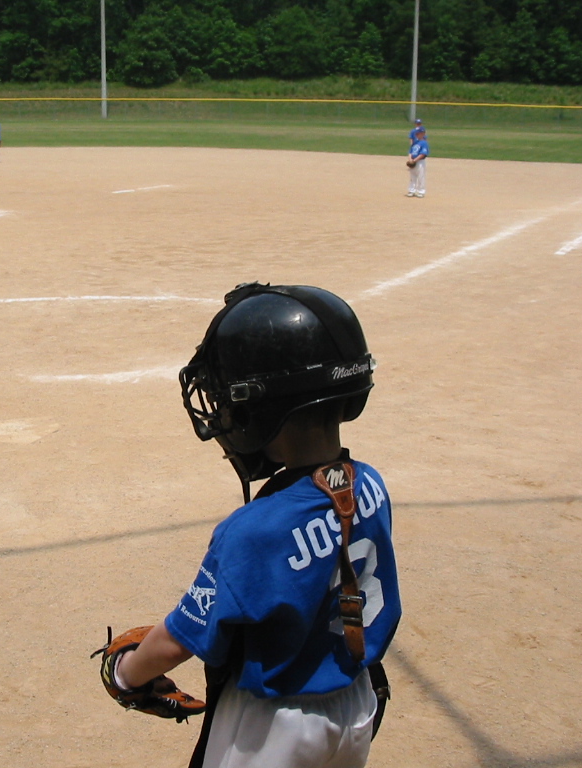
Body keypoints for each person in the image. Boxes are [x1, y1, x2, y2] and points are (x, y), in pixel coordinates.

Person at [110, 283, 402, 768]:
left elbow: (178, 639)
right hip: (357, 704)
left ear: (259, 409)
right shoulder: (370, 484)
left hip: (273, 727)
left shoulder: (253, 530)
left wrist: (124, 673)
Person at [406, 125, 429, 198]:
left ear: (423, 134)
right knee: (412, 177)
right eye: (416, 133)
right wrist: (410, 159)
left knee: (420, 176)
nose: (417, 135)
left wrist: (415, 160)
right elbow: (410, 152)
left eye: (418, 133)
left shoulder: (424, 143)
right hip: (413, 161)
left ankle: (421, 191)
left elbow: (423, 154)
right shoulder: (415, 143)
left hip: (420, 162)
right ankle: (411, 190)